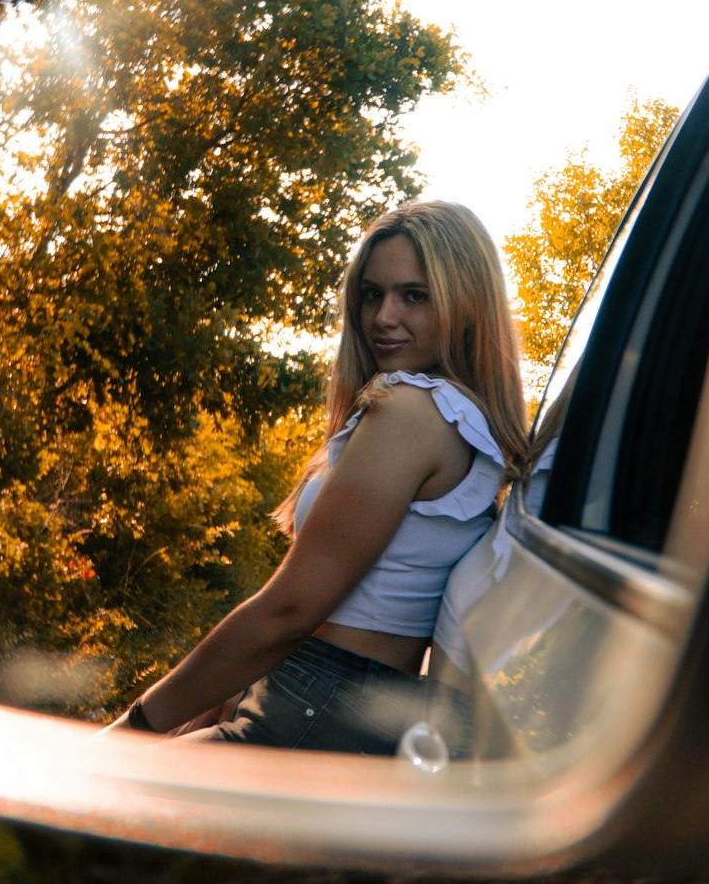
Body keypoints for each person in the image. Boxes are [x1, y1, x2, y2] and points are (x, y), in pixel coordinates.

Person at [106, 200, 528, 753]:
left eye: (414, 296)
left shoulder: (412, 411)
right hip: (329, 701)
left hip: (321, 705)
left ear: (466, 304)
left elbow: (289, 613)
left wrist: (131, 728)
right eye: (372, 294)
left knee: (84, 806)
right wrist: (233, 688)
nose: (383, 317)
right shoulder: (459, 419)